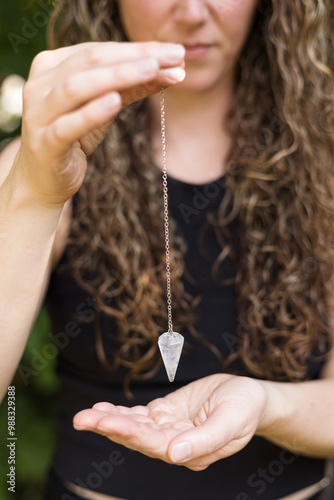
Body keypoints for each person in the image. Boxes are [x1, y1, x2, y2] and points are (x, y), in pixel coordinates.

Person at [0, 0, 334, 499]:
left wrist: (264, 404)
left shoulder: (323, 166)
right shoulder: (37, 165)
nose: (194, 13)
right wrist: (36, 193)